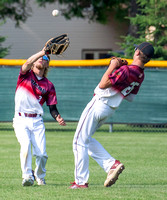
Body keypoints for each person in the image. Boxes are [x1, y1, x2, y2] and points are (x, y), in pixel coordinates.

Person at [70, 42, 154, 189]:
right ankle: (111, 165)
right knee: (86, 140)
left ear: (138, 53)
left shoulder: (128, 70)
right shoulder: (140, 74)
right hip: (109, 109)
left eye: (136, 49)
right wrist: (120, 71)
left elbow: (103, 84)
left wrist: (113, 65)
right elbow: (130, 97)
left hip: (99, 103)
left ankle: (81, 182)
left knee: (78, 141)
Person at [13, 48, 66, 186]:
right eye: (40, 58)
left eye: (45, 59)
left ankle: (39, 176)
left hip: (36, 121)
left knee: (42, 154)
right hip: (20, 119)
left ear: (48, 65)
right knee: (25, 146)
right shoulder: (25, 75)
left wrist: (57, 117)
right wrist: (43, 52)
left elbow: (52, 107)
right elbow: (28, 62)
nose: (42, 59)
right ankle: (27, 177)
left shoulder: (49, 85)